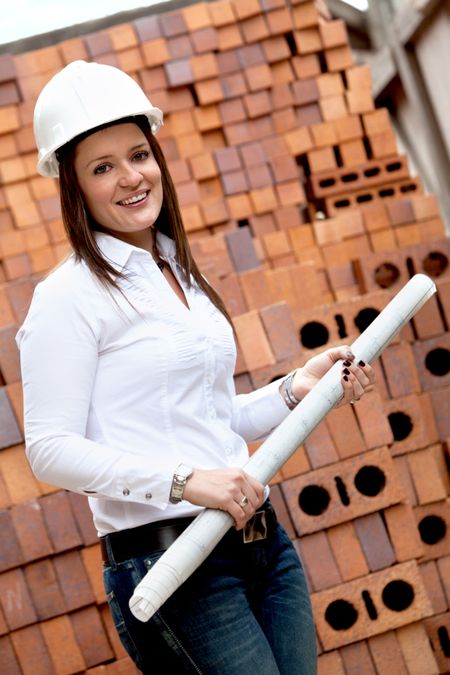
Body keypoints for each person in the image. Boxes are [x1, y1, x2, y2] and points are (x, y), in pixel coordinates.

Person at [16, 60, 375, 675]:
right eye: (103, 167)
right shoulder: (68, 296)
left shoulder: (177, 273)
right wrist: (185, 482)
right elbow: (49, 450)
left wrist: (298, 388)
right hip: (173, 565)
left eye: (139, 155)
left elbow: (211, 418)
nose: (131, 178)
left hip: (263, 546)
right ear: (71, 184)